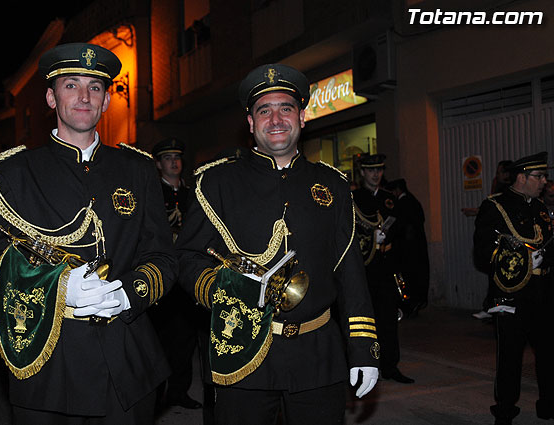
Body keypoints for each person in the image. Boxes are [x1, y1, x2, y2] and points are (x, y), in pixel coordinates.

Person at [0, 43, 177, 425]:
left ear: (104, 102)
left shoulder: (137, 170)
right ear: (51, 97)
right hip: (47, 368)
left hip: (127, 362)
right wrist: (58, 287)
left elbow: (163, 258)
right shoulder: (13, 174)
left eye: (95, 87)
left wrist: (128, 294)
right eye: (71, 85)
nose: (84, 96)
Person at [175, 63, 379, 425]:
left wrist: (363, 347)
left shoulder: (332, 185)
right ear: (250, 123)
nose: (276, 119)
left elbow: (350, 269)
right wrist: (225, 290)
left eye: (285, 108)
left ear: (302, 117)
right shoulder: (215, 182)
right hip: (240, 349)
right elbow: (188, 258)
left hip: (318, 353)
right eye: (264, 110)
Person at [473, 152, 554, 425]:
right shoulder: (495, 206)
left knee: (547, 352)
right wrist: (520, 259)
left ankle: (548, 404)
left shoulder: (540, 207)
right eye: (539, 176)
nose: (544, 181)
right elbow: (483, 252)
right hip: (512, 294)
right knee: (510, 356)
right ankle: (505, 410)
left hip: (542, 293)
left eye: (544, 176)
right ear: (522, 177)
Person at [148, 137, 204, 411]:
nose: (174, 162)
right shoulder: (151, 193)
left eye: (177, 157)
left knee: (185, 339)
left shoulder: (193, 194)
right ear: (158, 164)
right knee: (158, 340)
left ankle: (179, 392)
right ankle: (156, 395)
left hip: (186, 276)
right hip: (161, 274)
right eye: (168, 158)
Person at [352, 154, 414, 384]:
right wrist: (370, 236)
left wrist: (390, 239)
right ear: (362, 173)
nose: (376, 174)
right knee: (364, 322)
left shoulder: (390, 198)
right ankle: (365, 367)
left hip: (386, 268)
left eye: (379, 170)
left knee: (388, 320)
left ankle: (390, 366)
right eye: (371, 170)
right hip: (364, 270)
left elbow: (402, 227)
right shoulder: (354, 198)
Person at [385, 178, 430, 316]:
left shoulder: (402, 204)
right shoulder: (414, 201)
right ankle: (416, 303)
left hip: (406, 250)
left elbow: (397, 226)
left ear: (397, 190)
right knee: (416, 277)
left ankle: (409, 306)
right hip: (417, 248)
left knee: (408, 278)